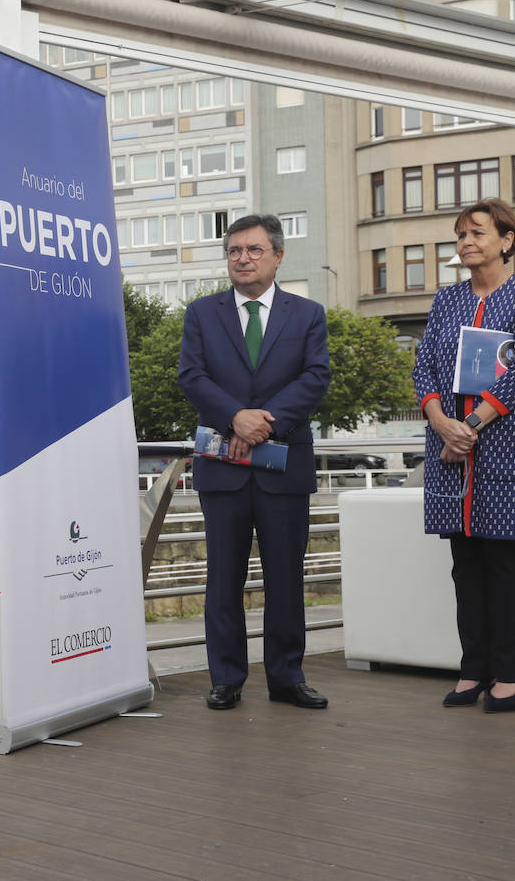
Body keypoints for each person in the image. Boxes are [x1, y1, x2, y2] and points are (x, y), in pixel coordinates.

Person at [412, 198, 515, 714]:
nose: (466, 242)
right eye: (460, 235)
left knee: (502, 559)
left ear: (507, 240)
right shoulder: (447, 298)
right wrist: (441, 422)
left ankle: (511, 674)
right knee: (463, 561)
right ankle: (473, 667)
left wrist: (472, 424)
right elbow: (424, 366)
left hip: (506, 442)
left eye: (477, 232)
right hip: (449, 445)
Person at [177, 213, 331, 711]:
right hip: (222, 466)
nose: (242, 258)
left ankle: (287, 677)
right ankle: (226, 677)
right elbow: (192, 377)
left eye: (254, 250)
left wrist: (263, 423)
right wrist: (234, 418)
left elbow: (315, 377)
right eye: (234, 251)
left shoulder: (306, 314)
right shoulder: (202, 313)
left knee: (286, 578)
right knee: (224, 577)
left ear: (278, 256)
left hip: (284, 463)